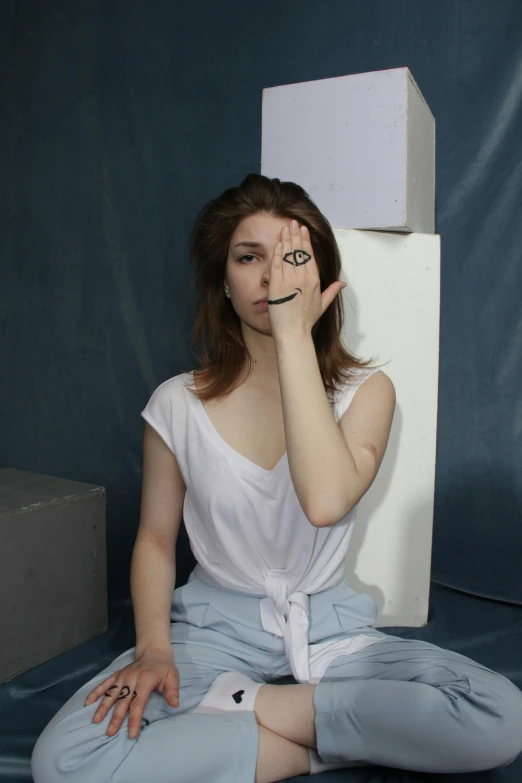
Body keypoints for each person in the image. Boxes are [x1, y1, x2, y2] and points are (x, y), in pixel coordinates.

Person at [32, 174, 522, 783]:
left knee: (499, 715)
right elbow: (156, 540)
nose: (272, 279)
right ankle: (317, 745)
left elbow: (324, 501)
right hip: (210, 635)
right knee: (64, 761)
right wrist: (154, 649)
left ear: (319, 278)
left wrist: (293, 334)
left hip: (331, 631)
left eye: (292, 258)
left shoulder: (366, 392)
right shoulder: (176, 404)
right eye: (248, 258)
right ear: (223, 283)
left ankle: (250, 708)